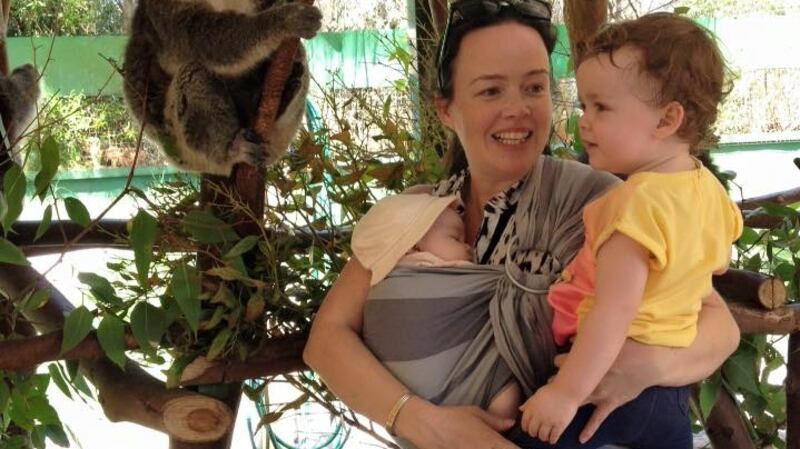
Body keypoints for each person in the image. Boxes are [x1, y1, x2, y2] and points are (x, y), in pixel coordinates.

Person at [303, 1, 741, 448]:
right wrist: (423, 422)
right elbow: (327, 338)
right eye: (491, 91)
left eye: (534, 88)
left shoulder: (602, 202)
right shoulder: (413, 215)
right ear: (446, 110)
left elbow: (718, 326)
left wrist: (643, 367)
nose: (518, 109)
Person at [516, 12, 743, 449]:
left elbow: (613, 312)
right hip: (671, 399)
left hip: (600, 379)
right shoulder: (709, 194)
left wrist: (565, 394)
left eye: (601, 107)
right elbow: (713, 267)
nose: (585, 121)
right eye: (585, 106)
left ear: (666, 120)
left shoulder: (634, 204)